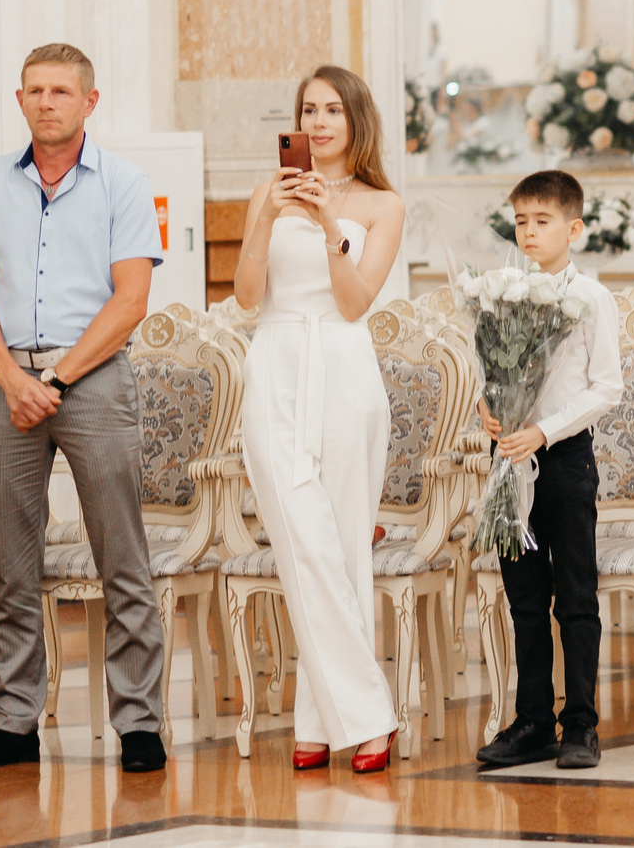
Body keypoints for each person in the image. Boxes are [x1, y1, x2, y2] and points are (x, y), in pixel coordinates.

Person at [0, 44, 167, 775]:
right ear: (20, 100)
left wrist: (58, 380)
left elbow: (131, 299)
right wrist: (12, 379)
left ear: (89, 101)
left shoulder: (126, 184)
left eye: (62, 90)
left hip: (93, 378)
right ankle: (14, 720)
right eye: (36, 90)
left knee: (122, 556)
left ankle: (138, 721)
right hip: (6, 377)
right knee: (10, 561)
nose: (48, 101)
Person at [231, 65, 409, 773]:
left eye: (334, 109)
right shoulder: (264, 193)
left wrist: (330, 223)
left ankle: (319, 716)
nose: (320, 121)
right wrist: (270, 217)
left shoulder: (383, 204)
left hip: (343, 370)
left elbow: (355, 301)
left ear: (356, 119)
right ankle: (369, 714)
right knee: (302, 543)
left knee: (340, 550)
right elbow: (247, 295)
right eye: (309, 109)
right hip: (274, 363)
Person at [475, 169, 622, 772]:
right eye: (522, 222)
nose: (530, 232)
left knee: (575, 595)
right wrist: (489, 408)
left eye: (542, 221)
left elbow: (606, 387)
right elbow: (491, 368)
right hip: (510, 461)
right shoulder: (502, 292)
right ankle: (532, 719)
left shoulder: (591, 299)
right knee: (525, 597)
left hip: (563, 461)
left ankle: (580, 723)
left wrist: (545, 429)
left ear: (574, 228)